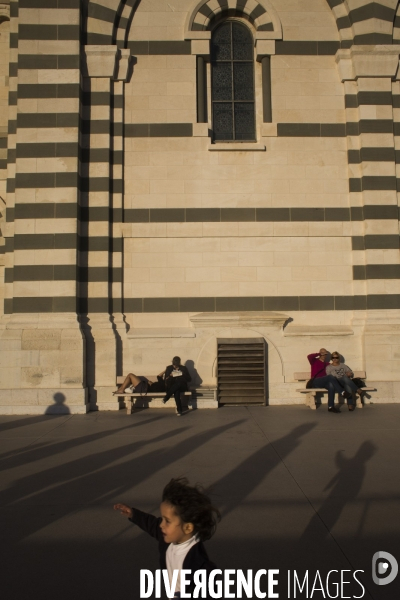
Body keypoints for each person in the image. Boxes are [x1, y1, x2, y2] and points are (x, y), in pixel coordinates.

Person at [114, 477, 220, 599]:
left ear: (188, 528)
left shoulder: (200, 565)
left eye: (167, 521)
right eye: (163, 519)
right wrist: (133, 514)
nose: (161, 524)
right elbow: (152, 525)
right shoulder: (171, 537)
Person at [307, 348, 351, 413]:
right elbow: (309, 356)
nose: (324, 355)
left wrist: (346, 373)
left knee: (331, 385)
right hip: (315, 381)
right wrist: (319, 354)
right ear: (320, 354)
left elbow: (335, 370)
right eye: (322, 353)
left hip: (324, 382)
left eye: (325, 354)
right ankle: (342, 392)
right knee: (330, 377)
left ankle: (331, 407)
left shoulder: (327, 364)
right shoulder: (314, 361)